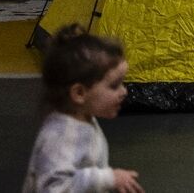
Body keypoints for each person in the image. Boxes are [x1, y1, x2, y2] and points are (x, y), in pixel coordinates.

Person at [23, 24, 145, 193]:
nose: (124, 91)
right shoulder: (62, 135)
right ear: (79, 93)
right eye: (114, 85)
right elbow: (53, 188)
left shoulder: (84, 120)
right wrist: (107, 178)